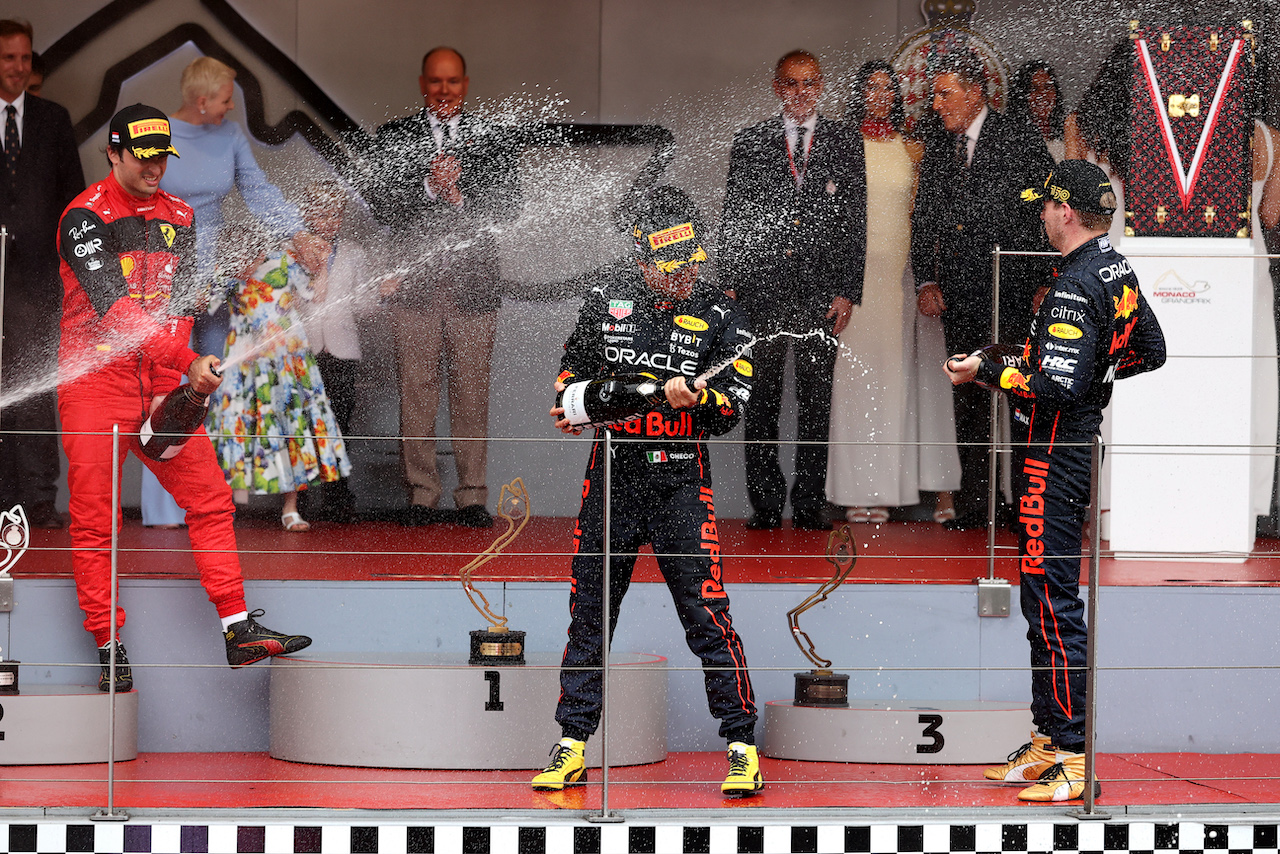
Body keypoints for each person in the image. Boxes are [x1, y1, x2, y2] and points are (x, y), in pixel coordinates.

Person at [56, 103, 312, 692]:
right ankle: (107, 644)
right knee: (96, 522)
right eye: (142, 157)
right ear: (114, 152)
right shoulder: (82, 217)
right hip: (94, 384)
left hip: (159, 385)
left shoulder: (178, 214)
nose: (154, 168)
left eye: (161, 157)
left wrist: (186, 372)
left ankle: (238, 628)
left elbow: (180, 307)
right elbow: (115, 311)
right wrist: (185, 361)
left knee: (212, 499)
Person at [945, 160, 1165, 801]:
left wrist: (990, 375)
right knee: (1041, 599)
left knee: (1054, 603)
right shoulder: (1111, 265)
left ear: (1067, 212)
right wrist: (1000, 359)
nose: (1039, 214)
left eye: (1045, 205)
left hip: (1051, 457)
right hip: (1065, 450)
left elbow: (1055, 383)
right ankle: (1048, 740)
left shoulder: (1073, 284)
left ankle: (1072, 752)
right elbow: (1146, 349)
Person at [534, 187, 761, 797]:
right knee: (589, 611)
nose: (686, 274)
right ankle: (571, 743)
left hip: (683, 481)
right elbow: (565, 398)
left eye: (692, 260)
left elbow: (732, 407)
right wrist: (634, 393)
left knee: (706, 611)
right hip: (612, 474)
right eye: (671, 264)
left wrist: (699, 399)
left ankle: (742, 744)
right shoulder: (606, 302)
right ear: (643, 260)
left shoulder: (721, 312)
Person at [139, 55, 328, 529]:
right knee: (167, 378)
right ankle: (164, 507)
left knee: (214, 382)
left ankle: (205, 500)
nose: (230, 108)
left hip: (219, 269)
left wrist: (299, 234)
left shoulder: (229, 136)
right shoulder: (158, 133)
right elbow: (140, 196)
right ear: (201, 102)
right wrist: (177, 278)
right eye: (225, 101)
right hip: (167, 264)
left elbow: (259, 191)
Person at [363, 46, 522, 529]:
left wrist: (460, 195)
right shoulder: (393, 137)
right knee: (417, 391)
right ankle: (422, 495)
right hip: (413, 290)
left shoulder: (493, 139)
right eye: (436, 82)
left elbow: (510, 208)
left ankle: (472, 496)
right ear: (422, 83)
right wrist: (428, 189)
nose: (444, 91)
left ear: (466, 84)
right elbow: (382, 207)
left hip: (473, 288)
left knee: (472, 393)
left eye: (453, 82)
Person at [718, 49, 865, 530]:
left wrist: (848, 290)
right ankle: (764, 504)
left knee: (816, 399)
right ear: (777, 87)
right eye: (791, 84)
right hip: (761, 289)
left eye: (809, 83)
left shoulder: (844, 141)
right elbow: (734, 218)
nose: (801, 93)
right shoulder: (751, 141)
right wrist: (732, 283)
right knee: (759, 397)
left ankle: (808, 503)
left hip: (821, 293)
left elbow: (854, 222)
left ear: (821, 85)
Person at [911, 49, 1054, 531]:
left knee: (1019, 398)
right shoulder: (939, 144)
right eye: (934, 94)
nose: (936, 103)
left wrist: (1044, 278)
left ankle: (1025, 506)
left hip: (1013, 291)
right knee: (968, 394)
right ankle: (977, 503)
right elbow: (924, 217)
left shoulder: (1018, 135)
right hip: (960, 292)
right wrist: (927, 279)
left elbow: (1045, 208)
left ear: (974, 93)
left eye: (945, 93)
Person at [827, 60, 960, 525]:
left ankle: (884, 490)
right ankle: (851, 492)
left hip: (899, 279)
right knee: (853, 383)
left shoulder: (912, 147)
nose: (881, 95)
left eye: (889, 88)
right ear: (860, 94)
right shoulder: (842, 144)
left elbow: (923, 218)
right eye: (873, 88)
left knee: (892, 384)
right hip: (854, 282)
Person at [207, 223, 352, 532]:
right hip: (244, 361)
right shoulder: (228, 273)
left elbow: (315, 296)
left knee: (292, 427)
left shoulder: (283, 260)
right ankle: (224, 506)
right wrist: (219, 272)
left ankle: (291, 508)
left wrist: (322, 267)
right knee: (236, 427)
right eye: (240, 256)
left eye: (251, 255)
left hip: (288, 357)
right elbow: (203, 304)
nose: (248, 262)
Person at [0, 19, 83, 529]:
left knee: (31, 386)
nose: (18, 67)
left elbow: (72, 200)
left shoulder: (53, 118)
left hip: (36, 280)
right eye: (9, 58)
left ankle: (35, 499)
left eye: (25, 58)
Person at [296, 180, 372, 523]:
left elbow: (365, 305)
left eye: (334, 213)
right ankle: (297, 498)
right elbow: (284, 303)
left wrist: (382, 292)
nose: (327, 220)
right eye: (320, 212)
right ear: (307, 213)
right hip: (303, 349)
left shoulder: (355, 253)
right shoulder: (293, 251)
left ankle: (337, 494)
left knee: (339, 424)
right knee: (302, 424)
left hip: (342, 351)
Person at [1008, 60, 1066, 163]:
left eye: (1048, 87)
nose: (1042, 94)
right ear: (1021, 96)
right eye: (1034, 89)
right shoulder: (1010, 138)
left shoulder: (1069, 133)